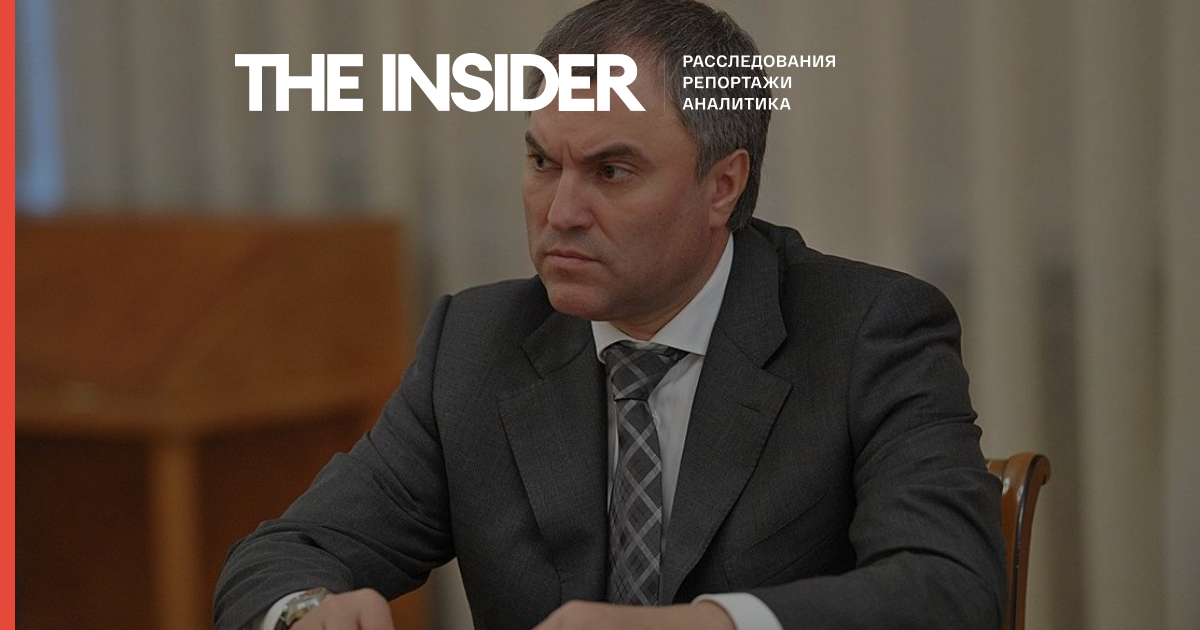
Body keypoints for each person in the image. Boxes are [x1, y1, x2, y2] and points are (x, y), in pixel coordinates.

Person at [214, 1, 1006, 629]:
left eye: (612, 171)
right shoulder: (476, 346)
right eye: (542, 162)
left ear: (722, 186)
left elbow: (951, 588)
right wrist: (306, 613)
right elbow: (281, 556)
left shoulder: (867, 331)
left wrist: (706, 626)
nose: (560, 212)